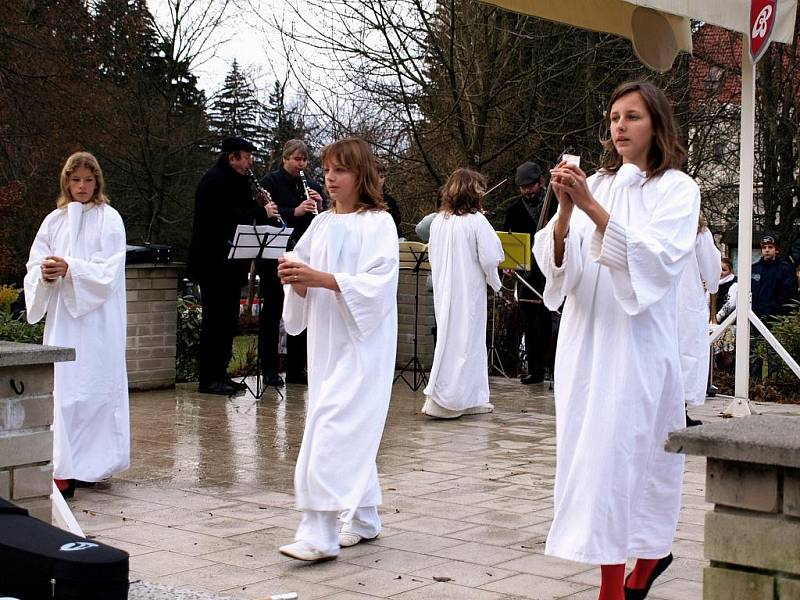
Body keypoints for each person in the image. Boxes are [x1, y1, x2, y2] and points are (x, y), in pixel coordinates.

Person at [533, 81, 700, 600]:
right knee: (593, 463)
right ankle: (616, 577)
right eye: (613, 118)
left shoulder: (677, 188)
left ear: (657, 124)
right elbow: (563, 267)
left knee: (632, 461)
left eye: (632, 116)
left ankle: (640, 566)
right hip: (587, 344)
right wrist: (564, 212)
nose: (620, 127)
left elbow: (657, 260)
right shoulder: (599, 182)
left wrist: (590, 207)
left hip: (637, 348)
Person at [276, 138, 398, 562]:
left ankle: (319, 531)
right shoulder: (323, 223)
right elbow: (305, 277)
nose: (330, 177)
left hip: (364, 346)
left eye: (340, 170)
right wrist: (295, 277)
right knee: (342, 425)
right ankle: (364, 517)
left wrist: (322, 278)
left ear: (360, 175)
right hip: (327, 344)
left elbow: (378, 287)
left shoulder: (379, 224)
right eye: (327, 169)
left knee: (331, 427)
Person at [24, 152, 130, 499]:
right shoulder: (53, 221)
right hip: (63, 317)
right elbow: (35, 263)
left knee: (96, 388)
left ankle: (93, 466)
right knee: (65, 389)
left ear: (97, 181)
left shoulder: (109, 218)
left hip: (98, 320)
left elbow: (108, 269)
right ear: (65, 182)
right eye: (75, 180)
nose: (82, 187)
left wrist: (72, 268)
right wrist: (46, 273)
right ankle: (64, 465)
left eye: (87, 180)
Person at [187, 137, 278, 395]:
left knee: (228, 322)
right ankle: (209, 379)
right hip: (214, 264)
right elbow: (226, 217)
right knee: (215, 322)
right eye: (246, 157)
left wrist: (258, 203)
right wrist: (263, 212)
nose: (250, 163)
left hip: (230, 263)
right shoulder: (215, 180)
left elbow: (242, 210)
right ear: (232, 157)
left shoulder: (235, 181)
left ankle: (221, 374)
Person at [421, 169, 504, 419]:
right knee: (466, 342)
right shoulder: (477, 221)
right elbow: (490, 257)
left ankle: (473, 397)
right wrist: (495, 282)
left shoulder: (439, 221)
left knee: (454, 339)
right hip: (468, 292)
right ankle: (452, 399)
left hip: (445, 290)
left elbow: (433, 256)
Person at [258, 139, 325, 386]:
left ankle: (298, 369)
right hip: (276, 255)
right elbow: (267, 215)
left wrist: (319, 205)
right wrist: (295, 212)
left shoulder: (313, 185)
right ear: (285, 159)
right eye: (296, 159)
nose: (301, 164)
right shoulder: (269, 183)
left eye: (304, 160)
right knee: (273, 310)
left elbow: (321, 222)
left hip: (303, 254)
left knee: (302, 308)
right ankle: (269, 369)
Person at [504, 161, 553, 384]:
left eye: (530, 186)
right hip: (526, 272)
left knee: (550, 321)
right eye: (523, 188)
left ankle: (554, 369)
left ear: (541, 182)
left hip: (551, 270)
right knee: (530, 322)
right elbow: (507, 239)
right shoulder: (514, 210)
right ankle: (535, 370)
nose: (527, 191)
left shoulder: (556, 204)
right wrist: (507, 262)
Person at [677, 214, 721, 427]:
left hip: (654, 298)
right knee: (685, 355)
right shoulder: (697, 230)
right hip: (685, 300)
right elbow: (712, 268)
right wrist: (711, 285)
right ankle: (679, 411)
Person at [750, 232, 797, 380]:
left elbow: (788, 293)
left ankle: (773, 381)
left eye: (770, 247)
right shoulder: (755, 268)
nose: (767, 250)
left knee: (774, 352)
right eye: (764, 247)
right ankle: (753, 381)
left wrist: (772, 310)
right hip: (755, 316)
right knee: (754, 351)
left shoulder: (785, 269)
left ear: (776, 249)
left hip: (775, 317)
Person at [377, 161, 402, 237]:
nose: (381, 180)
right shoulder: (358, 201)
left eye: (383, 176)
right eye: (380, 176)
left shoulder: (390, 201)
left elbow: (396, 222)